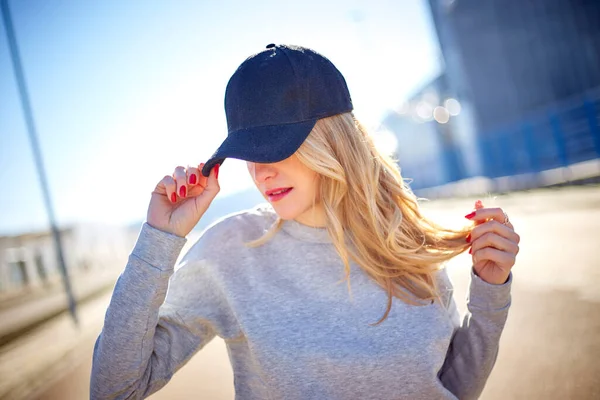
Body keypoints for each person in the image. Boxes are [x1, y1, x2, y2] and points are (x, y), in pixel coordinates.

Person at [90, 44, 520, 400]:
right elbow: (115, 389)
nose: (261, 171)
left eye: (275, 146)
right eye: (249, 152)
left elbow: (450, 391)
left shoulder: (403, 240)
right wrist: (158, 241)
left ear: (332, 140)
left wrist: (490, 293)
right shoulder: (232, 252)